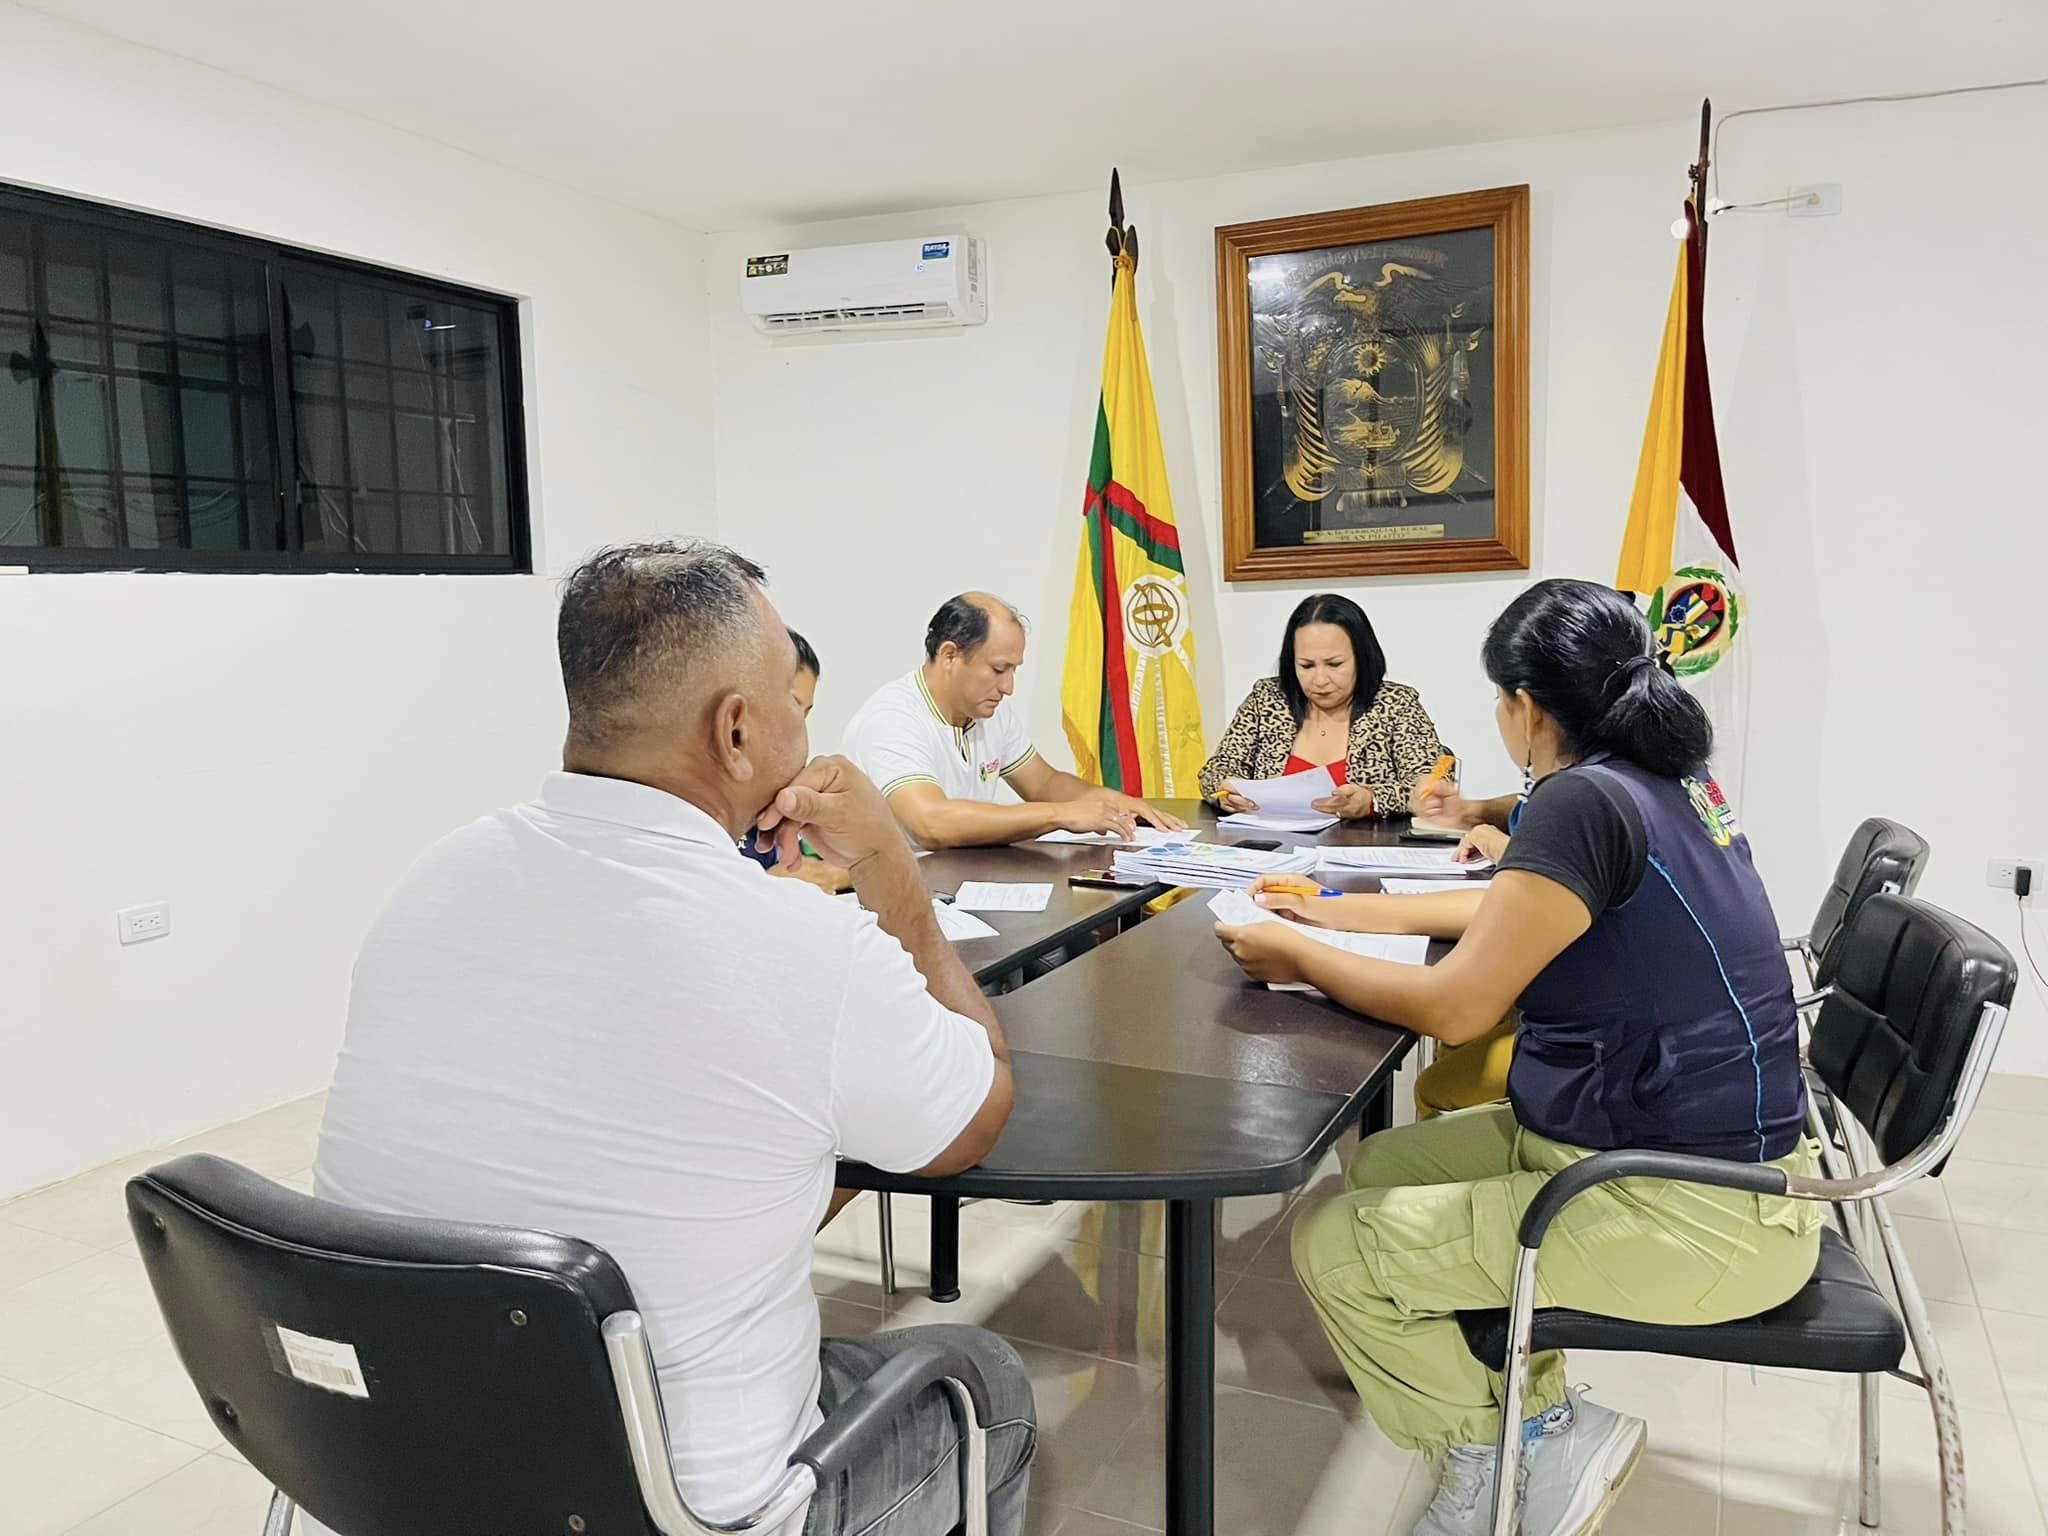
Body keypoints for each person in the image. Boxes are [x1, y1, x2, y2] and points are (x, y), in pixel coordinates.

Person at [314, 542, 1036, 1536]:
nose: (805, 731)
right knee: (987, 1378)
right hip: (677, 1512)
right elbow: (976, 1114)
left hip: (397, 1478)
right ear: (736, 731)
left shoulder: (430, 881)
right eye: (792, 704)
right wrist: (891, 875)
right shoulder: (802, 945)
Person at [1213, 578, 1819, 1536]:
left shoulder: (1581, 798)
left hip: (1694, 1207)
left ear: (1528, 708)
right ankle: (1542, 1417)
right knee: (1382, 1166)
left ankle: (1510, 1452)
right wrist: (1330, 910)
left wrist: (1298, 955)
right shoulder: (1662, 779)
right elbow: (1508, 910)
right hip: (1699, 1155)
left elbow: (1459, 1008)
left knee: (1333, 1245)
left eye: (1500, 701)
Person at [843, 592, 1184, 848]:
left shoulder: (989, 711)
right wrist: (1059, 815)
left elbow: (1044, 784)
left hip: (961, 880)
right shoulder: (892, 719)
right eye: (998, 669)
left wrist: (1117, 803)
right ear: (949, 655)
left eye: (1013, 670)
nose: (1008, 688)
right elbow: (931, 824)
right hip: (897, 899)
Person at [1198, 592, 1448, 820]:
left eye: (1334, 664)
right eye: (1306, 666)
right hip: (1274, 846)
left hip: (1362, 847)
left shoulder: (1396, 704)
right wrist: (1226, 792)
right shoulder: (1267, 699)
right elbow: (1217, 769)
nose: (1319, 680)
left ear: (1361, 657)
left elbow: (1432, 786)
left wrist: (1372, 800)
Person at [740, 628, 852, 893]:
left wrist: (830, 875)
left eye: (806, 712)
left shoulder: (783, 782)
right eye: (792, 704)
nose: (799, 726)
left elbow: (825, 864)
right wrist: (764, 883)